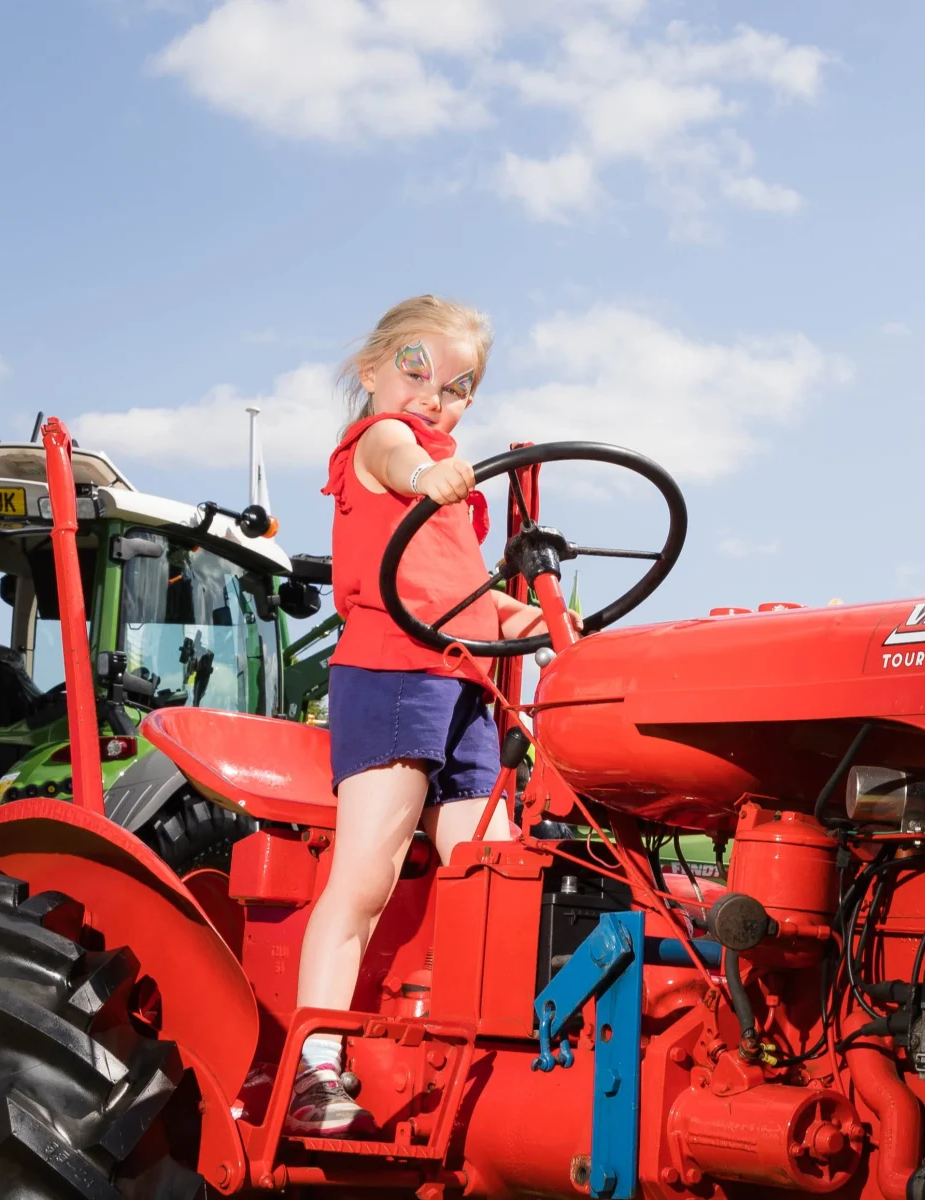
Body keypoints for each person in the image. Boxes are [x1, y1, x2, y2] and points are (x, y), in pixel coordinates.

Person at [287, 295, 572, 1136]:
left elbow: (455, 594)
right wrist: (425, 470)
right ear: (372, 368)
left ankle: (517, 1058)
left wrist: (525, 621)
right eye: (416, 369)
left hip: (466, 687)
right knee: (366, 877)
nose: (432, 394)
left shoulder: (455, 489)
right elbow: (396, 451)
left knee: (494, 868)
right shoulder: (379, 447)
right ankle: (314, 1067)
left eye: (458, 385)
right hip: (390, 676)